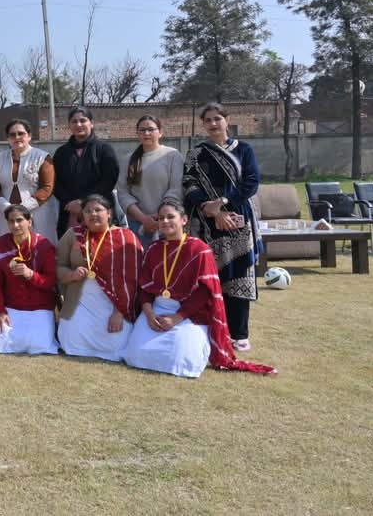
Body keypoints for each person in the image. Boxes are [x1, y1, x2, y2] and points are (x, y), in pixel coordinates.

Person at [122, 198, 276, 377]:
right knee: (136, 355)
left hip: (189, 314)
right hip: (156, 311)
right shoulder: (153, 249)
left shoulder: (199, 250)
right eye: (161, 218)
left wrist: (176, 318)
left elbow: (204, 292)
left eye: (170, 217)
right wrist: (149, 315)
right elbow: (145, 288)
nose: (165, 221)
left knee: (180, 358)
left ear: (184, 220)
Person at [182, 102, 262, 352]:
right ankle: (215, 330)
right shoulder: (196, 153)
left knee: (239, 275)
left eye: (217, 118)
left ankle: (240, 333)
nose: (213, 124)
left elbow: (251, 182)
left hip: (238, 218)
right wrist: (211, 209)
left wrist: (224, 203)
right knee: (212, 276)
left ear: (227, 120)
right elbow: (189, 183)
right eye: (208, 120)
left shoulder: (244, 150)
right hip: (207, 222)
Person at [56, 194, 141, 362]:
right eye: (88, 211)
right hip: (80, 301)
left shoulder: (126, 237)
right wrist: (71, 275)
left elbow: (133, 279)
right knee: (70, 338)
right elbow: (58, 266)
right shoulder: (73, 235)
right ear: (82, 215)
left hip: (114, 303)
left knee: (117, 342)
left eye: (98, 210)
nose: (93, 214)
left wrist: (119, 312)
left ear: (109, 213)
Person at [0, 205, 59, 355]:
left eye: (19, 220)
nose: (15, 225)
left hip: (40, 307)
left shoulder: (44, 246)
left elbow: (51, 281)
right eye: (11, 221)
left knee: (39, 346)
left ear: (29, 221)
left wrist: (31, 275)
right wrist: (0, 311)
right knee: (4, 344)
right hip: (12, 307)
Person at [115, 115, 183, 249]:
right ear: (137, 133)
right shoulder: (127, 160)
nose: (146, 133)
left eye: (151, 129)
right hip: (138, 226)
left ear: (160, 132)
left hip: (168, 223)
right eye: (142, 130)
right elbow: (123, 193)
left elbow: (176, 188)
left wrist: (161, 217)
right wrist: (144, 219)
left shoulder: (172, 155)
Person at [52, 107, 121, 239]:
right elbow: (55, 182)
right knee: (72, 248)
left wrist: (83, 202)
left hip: (98, 209)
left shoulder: (104, 150)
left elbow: (109, 180)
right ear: (69, 125)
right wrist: (70, 203)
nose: (78, 125)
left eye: (83, 120)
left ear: (91, 123)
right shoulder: (61, 153)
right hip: (70, 211)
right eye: (74, 121)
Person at [0, 118, 58, 245]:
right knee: (9, 248)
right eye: (12, 135)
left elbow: (47, 187)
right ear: (7, 138)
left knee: (38, 247)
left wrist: (22, 208)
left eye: (21, 133)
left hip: (37, 212)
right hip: (7, 213)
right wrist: (7, 207)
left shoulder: (42, 157)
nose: (17, 137)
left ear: (29, 136)